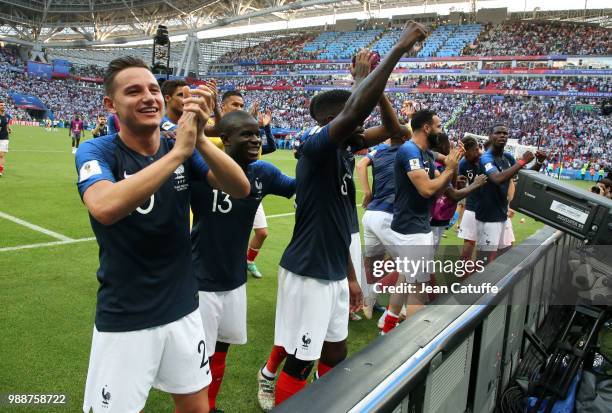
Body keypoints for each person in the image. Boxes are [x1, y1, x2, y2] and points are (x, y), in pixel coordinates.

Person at [256, 22, 429, 410]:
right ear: (331, 122)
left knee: (334, 354)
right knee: (302, 358)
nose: (358, 123)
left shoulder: (344, 154)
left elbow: (394, 130)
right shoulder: (315, 148)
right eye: (349, 116)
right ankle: (279, 389)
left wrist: (352, 278)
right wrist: (397, 49)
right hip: (308, 271)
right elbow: (356, 111)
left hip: (332, 269)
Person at [76, 56, 250, 413]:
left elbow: (240, 186)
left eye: (154, 90)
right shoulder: (98, 150)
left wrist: (198, 138)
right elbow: (105, 206)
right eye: (133, 91)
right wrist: (179, 153)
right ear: (110, 104)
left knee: (196, 408)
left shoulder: (181, 148)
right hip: (127, 315)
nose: (149, 98)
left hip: (184, 308)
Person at [191, 110, 296, 413]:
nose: (255, 139)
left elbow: (297, 187)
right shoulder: (201, 167)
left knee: (222, 348)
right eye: (246, 134)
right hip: (201, 280)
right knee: (199, 357)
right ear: (224, 139)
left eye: (256, 133)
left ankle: (209, 407)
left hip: (235, 280)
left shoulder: (263, 172)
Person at [380, 110, 463, 334]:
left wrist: (449, 166)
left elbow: (440, 190)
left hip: (415, 225)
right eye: (438, 126)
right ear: (426, 128)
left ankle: (387, 327)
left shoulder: (425, 154)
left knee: (406, 278)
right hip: (413, 229)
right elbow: (427, 189)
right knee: (419, 288)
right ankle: (413, 341)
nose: (441, 131)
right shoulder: (410, 150)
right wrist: (449, 168)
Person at [206, 91, 277, 279]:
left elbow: (265, 149)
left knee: (262, 232)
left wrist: (259, 126)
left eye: (241, 105)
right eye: (234, 105)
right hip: (220, 188)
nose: (238, 108)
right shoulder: (211, 128)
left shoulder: (249, 134)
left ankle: (249, 261)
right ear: (223, 107)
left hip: (249, 188)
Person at [476, 125, 546, 263]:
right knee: (484, 259)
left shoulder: (507, 157)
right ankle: (477, 284)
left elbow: (526, 177)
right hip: (488, 216)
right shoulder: (486, 158)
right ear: (490, 136)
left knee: (505, 252)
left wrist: (539, 162)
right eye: (498, 133)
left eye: (505, 133)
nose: (502, 135)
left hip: (503, 213)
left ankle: (496, 282)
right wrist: (521, 161)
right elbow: (496, 179)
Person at [458, 136, 485, 262]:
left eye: (466, 154)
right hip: (472, 207)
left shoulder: (486, 161)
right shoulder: (463, 164)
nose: (465, 156)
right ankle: (463, 274)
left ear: (476, 149)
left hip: (489, 209)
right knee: (468, 246)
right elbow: (459, 186)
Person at [0, 100, 12, 177]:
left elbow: (7, 124)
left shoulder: (7, 116)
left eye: (3, 105)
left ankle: (0, 171)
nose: (3, 106)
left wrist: (9, 129)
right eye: (1, 105)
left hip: (4, 138)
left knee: (1, 155)